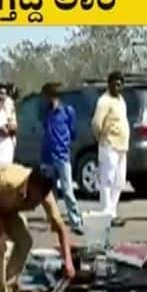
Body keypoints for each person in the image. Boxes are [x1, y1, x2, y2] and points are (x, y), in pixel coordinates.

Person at [0, 163, 76, 292]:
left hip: (9, 206)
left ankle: (9, 284)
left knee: (25, 241)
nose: (36, 203)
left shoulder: (44, 194)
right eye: (35, 197)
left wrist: (68, 261)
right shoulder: (9, 181)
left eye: (40, 199)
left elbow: (61, 228)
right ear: (30, 184)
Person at [38, 82, 84, 234]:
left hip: (62, 155)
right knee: (50, 192)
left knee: (67, 190)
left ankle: (76, 222)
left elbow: (72, 131)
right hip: (47, 156)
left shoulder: (67, 111)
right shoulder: (45, 111)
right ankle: (54, 221)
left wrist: (64, 144)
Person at [91, 71, 130, 227]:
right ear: (109, 84)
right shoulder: (104, 101)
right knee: (107, 179)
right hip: (109, 145)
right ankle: (106, 213)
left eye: (120, 83)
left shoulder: (121, 101)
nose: (117, 86)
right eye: (115, 83)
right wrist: (101, 139)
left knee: (119, 180)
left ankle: (112, 212)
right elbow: (96, 123)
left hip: (122, 146)